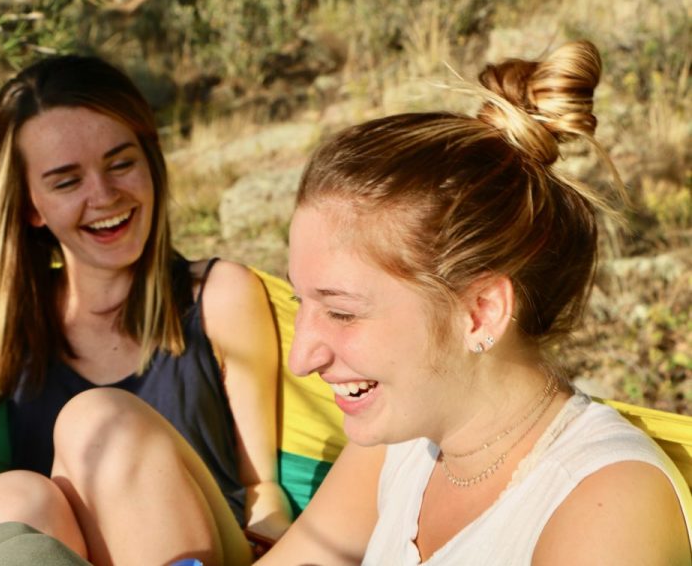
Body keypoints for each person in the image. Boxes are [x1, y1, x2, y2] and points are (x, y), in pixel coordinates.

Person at [255, 39, 692, 564]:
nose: (301, 358)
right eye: (300, 300)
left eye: (342, 312)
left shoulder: (606, 507)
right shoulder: (401, 443)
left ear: (481, 312)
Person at [0, 54, 290, 566]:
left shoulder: (217, 297)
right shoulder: (3, 325)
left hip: (210, 548)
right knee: (9, 498)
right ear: (31, 207)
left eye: (120, 162)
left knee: (99, 420)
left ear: (150, 162)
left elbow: (260, 483)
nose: (104, 196)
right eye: (67, 181)